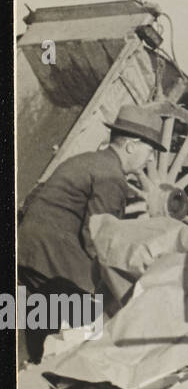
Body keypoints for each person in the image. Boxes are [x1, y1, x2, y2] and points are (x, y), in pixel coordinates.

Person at [16, 102, 166, 364]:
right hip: (51, 255)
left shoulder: (90, 161)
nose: (151, 158)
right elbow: (98, 238)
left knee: (46, 316)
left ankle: (35, 361)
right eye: (150, 150)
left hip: (31, 248)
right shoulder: (111, 177)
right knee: (92, 318)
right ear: (131, 146)